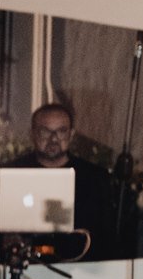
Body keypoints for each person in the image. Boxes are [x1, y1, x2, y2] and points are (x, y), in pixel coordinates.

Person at [13, 101, 118, 259]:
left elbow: (105, 237)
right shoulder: (12, 174)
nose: (54, 139)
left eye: (61, 131)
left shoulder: (95, 178)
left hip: (82, 268)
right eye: (45, 132)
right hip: (23, 266)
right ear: (33, 133)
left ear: (71, 134)